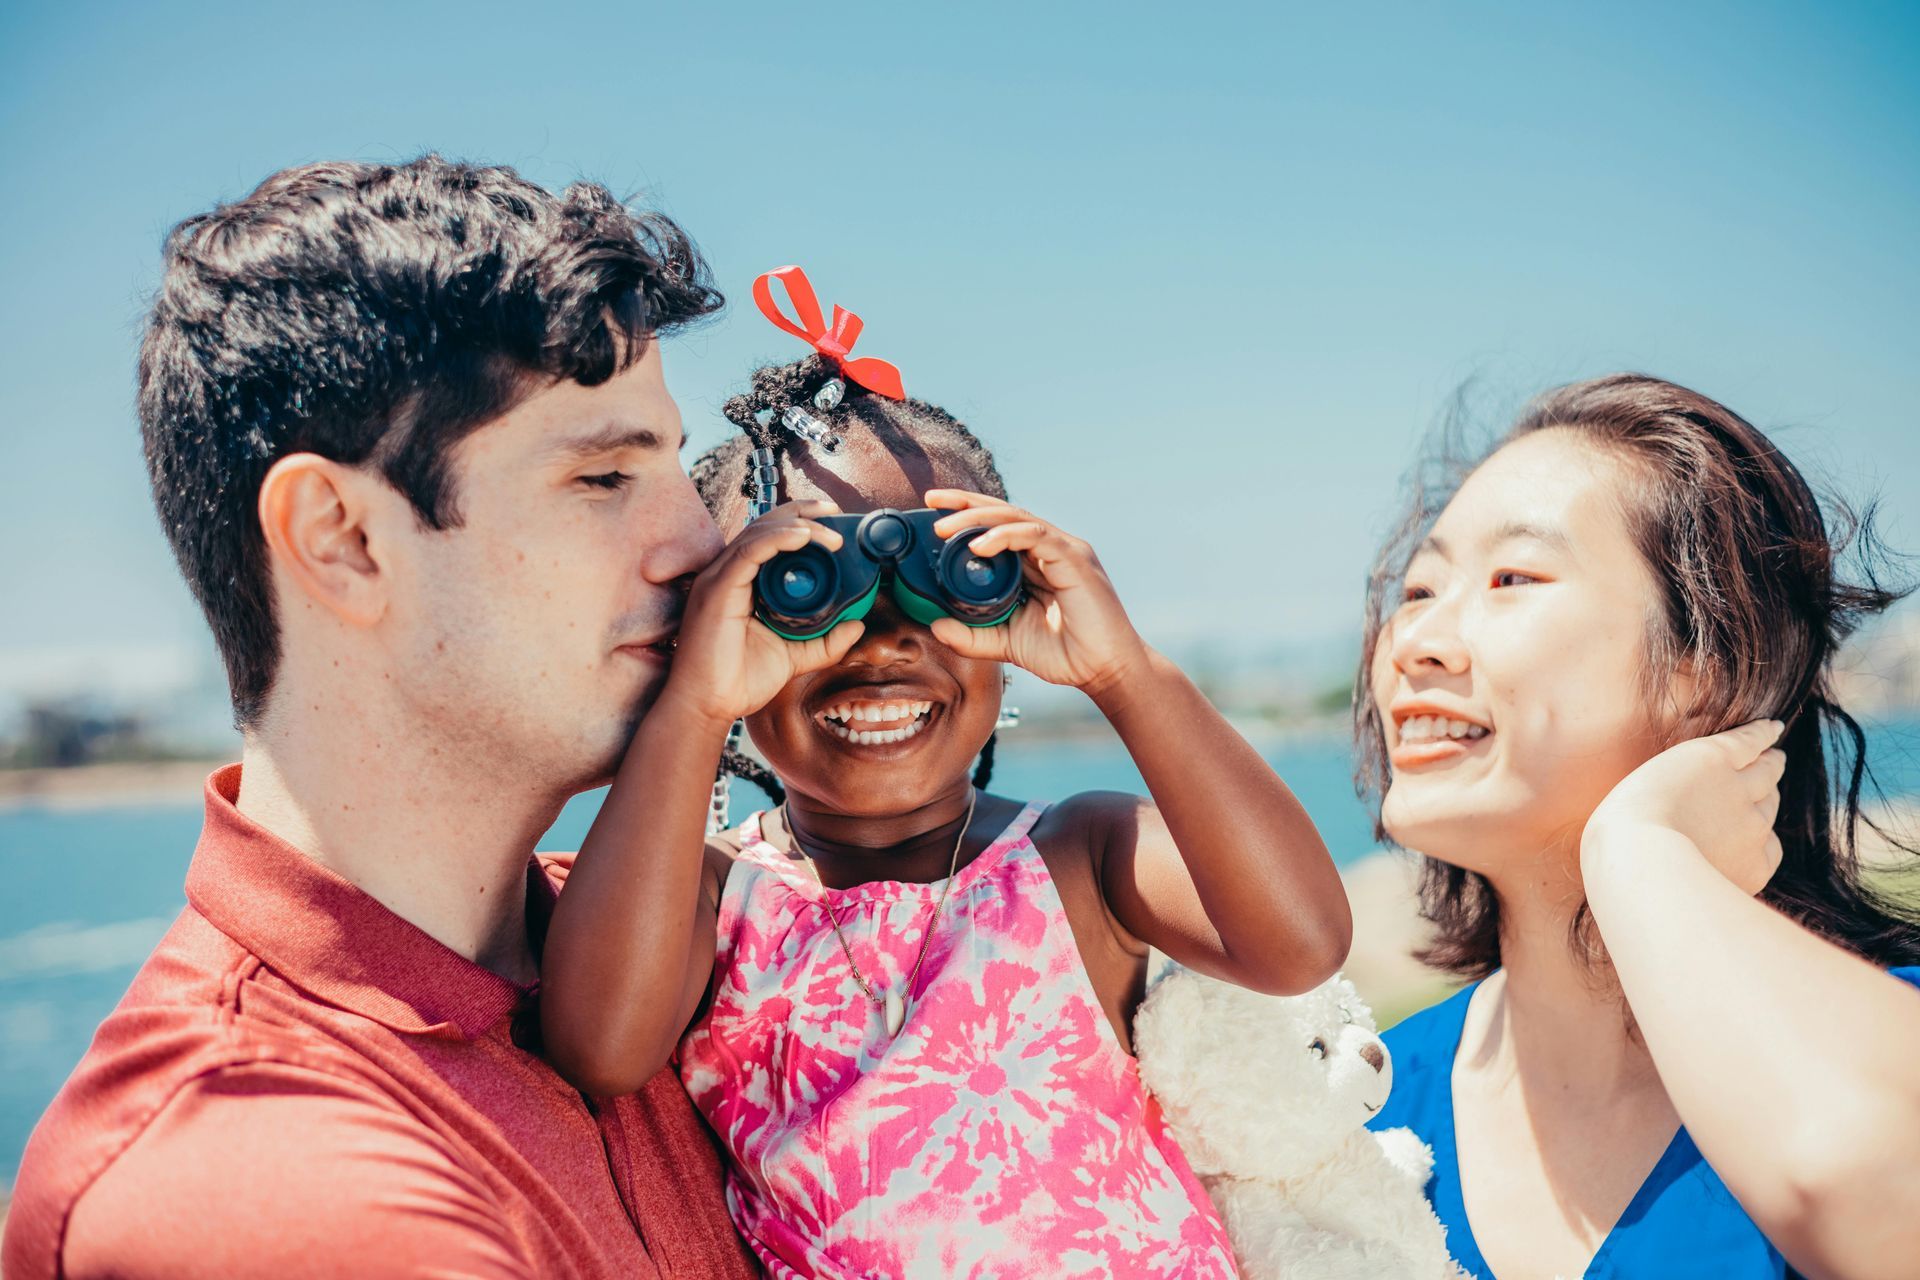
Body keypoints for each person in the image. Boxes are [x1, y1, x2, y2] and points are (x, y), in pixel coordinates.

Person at [3, 155, 760, 1278]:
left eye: (679, 471)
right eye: (604, 478)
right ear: (340, 540)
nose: (701, 543)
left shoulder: (701, 943)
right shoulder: (264, 1187)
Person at [537, 269, 1355, 1277]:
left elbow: (1298, 944)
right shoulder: (708, 895)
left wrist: (1125, 670)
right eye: (804, 584)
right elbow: (599, 1045)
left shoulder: (1079, 854)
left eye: (945, 577)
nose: (880, 641)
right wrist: (693, 705)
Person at [1362, 374, 1920, 1279]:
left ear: (1705, 664)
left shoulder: (1873, 1048)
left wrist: (1640, 853)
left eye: (1513, 578)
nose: (1414, 642)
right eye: (1419, 590)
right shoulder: (1358, 1109)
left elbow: (1875, 1189)